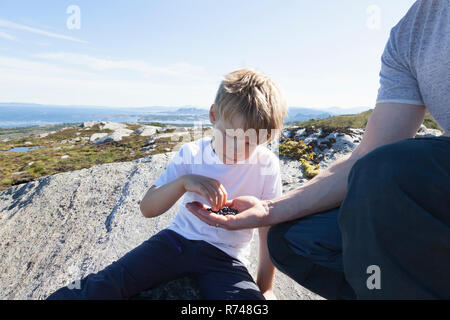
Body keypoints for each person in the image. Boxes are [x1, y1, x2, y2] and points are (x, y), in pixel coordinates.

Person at [186, 0, 450, 299]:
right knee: (290, 239)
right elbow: (370, 156)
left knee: (385, 170)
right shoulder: (411, 31)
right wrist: (270, 210)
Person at [46, 68, 287, 300]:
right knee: (105, 284)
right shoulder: (191, 153)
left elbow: (269, 226)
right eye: (231, 136)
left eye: (249, 143)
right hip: (175, 242)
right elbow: (148, 208)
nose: (236, 149)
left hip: (226, 257)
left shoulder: (267, 165)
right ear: (213, 115)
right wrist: (184, 183)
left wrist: (265, 287)